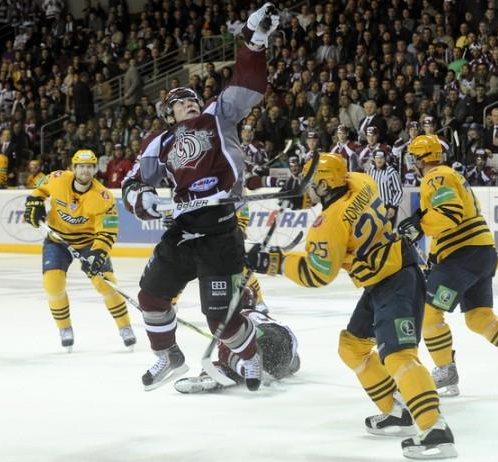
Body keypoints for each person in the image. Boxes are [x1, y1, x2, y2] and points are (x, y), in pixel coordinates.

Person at [246, 153, 456, 459]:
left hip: (395, 282)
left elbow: (317, 273)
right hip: (390, 274)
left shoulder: (328, 223)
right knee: (352, 347)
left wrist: (272, 262)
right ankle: (398, 414)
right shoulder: (362, 181)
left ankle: (436, 429)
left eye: (311, 182)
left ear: (323, 182)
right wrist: (301, 200)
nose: (308, 187)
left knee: (399, 357)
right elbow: (333, 200)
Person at [120, 3, 279, 392]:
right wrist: (144, 200)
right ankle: (168, 356)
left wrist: (255, 42)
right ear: (168, 112)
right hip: (183, 231)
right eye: (180, 101)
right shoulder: (160, 141)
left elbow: (248, 85)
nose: (189, 102)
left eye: (192, 97)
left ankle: (249, 354)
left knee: (218, 318)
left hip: (220, 233)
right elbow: (132, 182)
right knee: (151, 297)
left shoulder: (218, 116)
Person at [399, 135, 498, 398]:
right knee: (480, 319)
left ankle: (445, 370)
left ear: (418, 158)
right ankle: (446, 371)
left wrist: (419, 225)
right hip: (478, 253)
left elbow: (450, 213)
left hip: (464, 255)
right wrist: (435, 255)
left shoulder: (437, 176)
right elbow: (455, 218)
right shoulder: (451, 175)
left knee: (428, 312)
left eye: (412, 157)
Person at [23, 149, 137, 351]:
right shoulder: (57, 178)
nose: (85, 170)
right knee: (53, 285)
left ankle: (125, 326)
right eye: (81, 166)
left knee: (107, 285)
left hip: (88, 243)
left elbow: (108, 230)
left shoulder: (104, 196)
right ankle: (65, 328)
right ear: (73, 168)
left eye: (89, 166)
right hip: (57, 241)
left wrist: (98, 253)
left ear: (95, 169)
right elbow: (39, 189)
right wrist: (34, 202)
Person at [174, 285, 300, 393]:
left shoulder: (236, 318)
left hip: (263, 335)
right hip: (284, 347)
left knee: (228, 350)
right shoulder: (259, 314)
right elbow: (296, 363)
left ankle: (225, 373)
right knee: (233, 358)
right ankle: (228, 373)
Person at [366, 149, 403, 228]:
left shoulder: (391, 172)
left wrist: (393, 207)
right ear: (374, 159)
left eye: (381, 158)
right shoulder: (370, 172)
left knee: (387, 232)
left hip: (388, 207)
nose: (379, 160)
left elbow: (399, 191)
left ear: (385, 159)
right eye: (377, 158)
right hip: (373, 208)